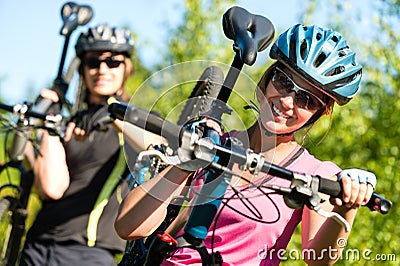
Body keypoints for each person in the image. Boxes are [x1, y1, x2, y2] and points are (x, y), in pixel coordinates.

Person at [114, 24, 377, 265]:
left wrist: (346, 208)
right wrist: (185, 162)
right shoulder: (213, 142)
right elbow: (128, 227)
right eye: (284, 82)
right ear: (267, 76)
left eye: (307, 100)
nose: (287, 102)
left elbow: (319, 260)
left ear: (320, 114)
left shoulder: (318, 174)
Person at [20, 23, 162, 266]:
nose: (102, 69)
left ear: (126, 68)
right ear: (83, 70)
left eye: (113, 62)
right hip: (37, 245)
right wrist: (47, 124)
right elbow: (52, 187)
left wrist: (113, 113)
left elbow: (160, 148)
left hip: (91, 251)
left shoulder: (138, 121)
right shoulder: (70, 123)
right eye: (93, 62)